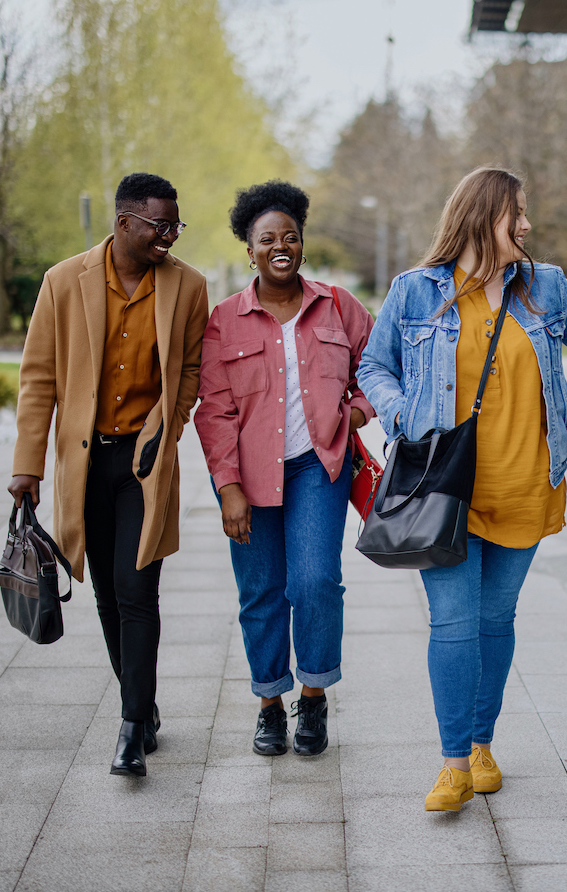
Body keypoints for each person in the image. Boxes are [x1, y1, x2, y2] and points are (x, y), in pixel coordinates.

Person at [357, 167, 567, 811]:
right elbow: (374, 366)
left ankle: (480, 741)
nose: (527, 225)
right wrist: (401, 418)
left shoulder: (546, 288)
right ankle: (452, 763)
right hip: (444, 490)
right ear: (481, 218)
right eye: (516, 213)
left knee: (495, 620)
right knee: (453, 622)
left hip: (528, 483)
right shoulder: (415, 291)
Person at [10, 172, 208, 777]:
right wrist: (28, 467)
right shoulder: (62, 282)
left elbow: (192, 371)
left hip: (143, 464)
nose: (169, 236)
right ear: (124, 222)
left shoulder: (188, 287)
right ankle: (142, 705)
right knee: (103, 591)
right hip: (85, 463)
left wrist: (166, 432)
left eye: (176, 225)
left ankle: (129, 729)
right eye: (159, 225)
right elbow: (39, 378)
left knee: (136, 586)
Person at [195, 181, 374, 758]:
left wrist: (358, 412)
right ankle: (270, 704)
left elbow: (379, 368)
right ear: (249, 250)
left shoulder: (338, 306)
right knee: (262, 591)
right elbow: (215, 410)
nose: (280, 246)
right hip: (249, 477)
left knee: (315, 582)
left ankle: (314, 696)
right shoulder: (224, 320)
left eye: (289, 237)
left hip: (319, 468)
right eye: (266, 238)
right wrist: (228, 488)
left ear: (301, 244)